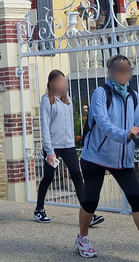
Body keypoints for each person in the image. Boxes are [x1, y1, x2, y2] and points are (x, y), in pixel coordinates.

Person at [76, 54, 139, 259]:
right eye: (120, 70)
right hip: (96, 156)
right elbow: (103, 122)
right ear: (111, 72)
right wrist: (124, 134)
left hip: (123, 158)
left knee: (137, 201)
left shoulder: (132, 95)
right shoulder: (100, 93)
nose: (124, 74)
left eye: (127, 70)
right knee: (91, 201)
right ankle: (82, 237)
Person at [34, 70, 104, 227]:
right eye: (58, 81)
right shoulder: (47, 101)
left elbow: (69, 125)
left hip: (68, 146)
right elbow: (45, 127)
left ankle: (89, 214)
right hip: (53, 146)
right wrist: (49, 150)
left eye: (63, 81)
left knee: (77, 177)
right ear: (51, 83)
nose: (61, 84)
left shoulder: (68, 101)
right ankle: (39, 209)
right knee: (48, 177)